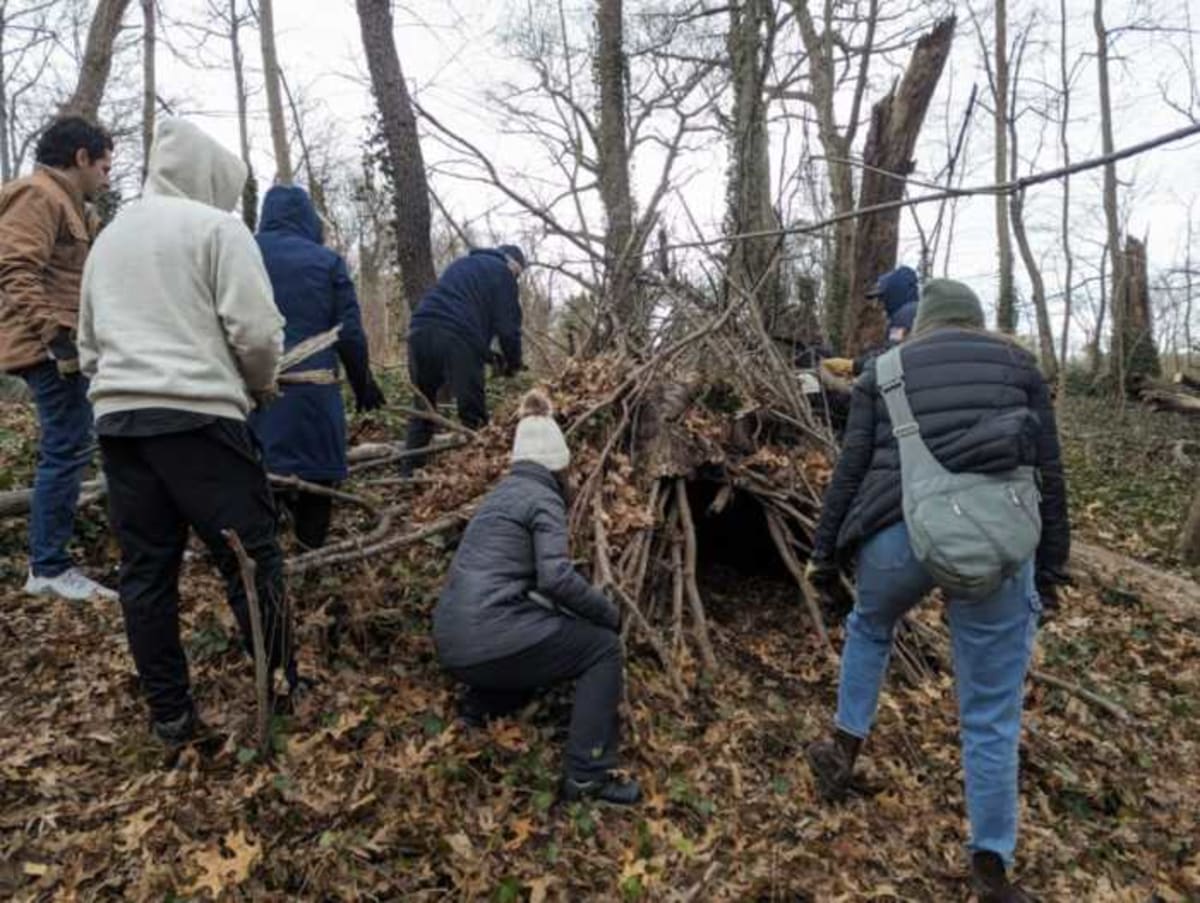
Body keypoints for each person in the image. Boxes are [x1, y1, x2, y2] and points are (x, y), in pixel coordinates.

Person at [803, 279, 1070, 902]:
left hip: (900, 539)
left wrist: (823, 552)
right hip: (1000, 544)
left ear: (923, 322)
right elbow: (1049, 473)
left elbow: (853, 465)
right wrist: (1052, 568)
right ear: (976, 323)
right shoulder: (1020, 366)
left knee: (871, 626)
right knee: (990, 713)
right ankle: (990, 869)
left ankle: (842, 751)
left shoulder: (886, 369)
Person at [78, 118, 287, 748]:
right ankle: (279, 689)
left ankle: (171, 717)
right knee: (251, 559)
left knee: (146, 573)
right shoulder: (217, 228)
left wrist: (120, 385)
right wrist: (260, 385)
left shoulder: (109, 239)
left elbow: (89, 345)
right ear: (211, 179)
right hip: (201, 417)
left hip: (120, 424)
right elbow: (255, 331)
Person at [433, 389, 640, 806]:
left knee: (541, 638)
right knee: (600, 649)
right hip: (489, 636)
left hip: (452, 642)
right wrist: (606, 613)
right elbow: (556, 577)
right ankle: (587, 775)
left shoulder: (498, 499)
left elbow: (510, 579)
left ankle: (482, 704)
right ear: (558, 466)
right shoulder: (544, 498)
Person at [0, 116, 116, 601]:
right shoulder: (39, 195)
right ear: (82, 158)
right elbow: (14, 267)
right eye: (104, 166)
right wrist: (57, 337)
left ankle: (54, 558)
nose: (107, 177)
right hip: (47, 347)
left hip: (63, 345)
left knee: (73, 444)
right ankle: (47, 567)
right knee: (66, 448)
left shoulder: (69, 205)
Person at [249, 184, 385, 549]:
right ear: (309, 218)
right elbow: (350, 334)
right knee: (316, 490)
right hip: (313, 400)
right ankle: (313, 567)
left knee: (257, 488)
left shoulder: (243, 252)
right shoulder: (326, 261)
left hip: (251, 401)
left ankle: (266, 576)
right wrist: (363, 384)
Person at [402, 245, 524, 472]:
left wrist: (490, 357)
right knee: (473, 414)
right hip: (456, 337)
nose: (516, 280)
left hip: (419, 332)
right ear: (514, 265)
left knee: (423, 408)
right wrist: (514, 363)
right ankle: (479, 474)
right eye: (518, 275)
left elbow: (461, 314)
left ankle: (408, 475)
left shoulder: (461, 265)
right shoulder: (503, 272)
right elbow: (508, 329)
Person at [822, 265, 919, 380]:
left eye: (882, 298)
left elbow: (890, 356)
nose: (879, 304)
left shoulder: (904, 316)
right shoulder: (916, 311)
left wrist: (852, 365)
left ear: (894, 293)